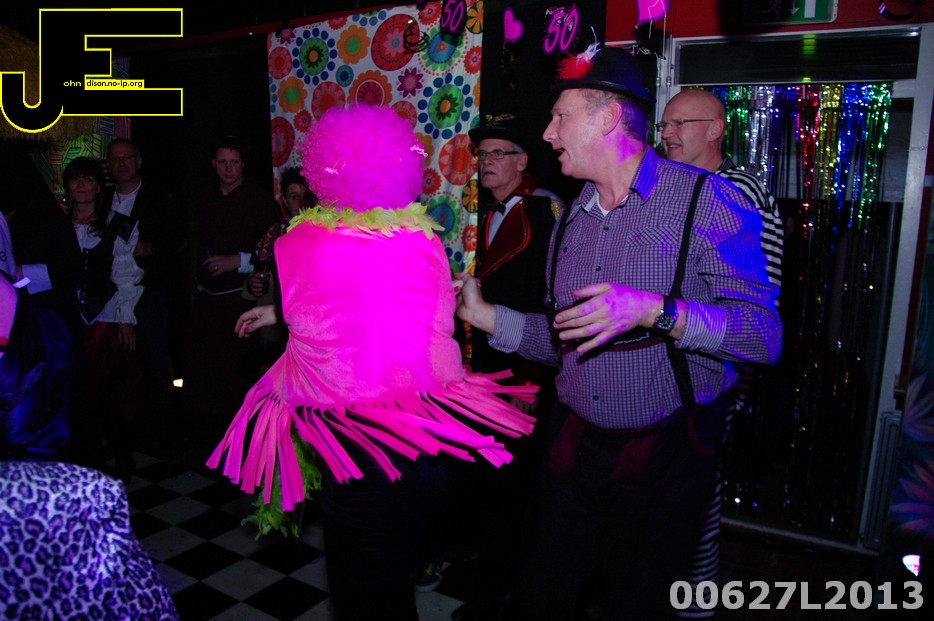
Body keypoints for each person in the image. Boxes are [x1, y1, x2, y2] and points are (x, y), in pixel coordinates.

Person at [455, 45, 782, 620]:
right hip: (573, 447)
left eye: (561, 117)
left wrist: (656, 310)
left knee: (639, 603)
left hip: (665, 453)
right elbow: (563, 341)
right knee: (543, 594)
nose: (549, 133)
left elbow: (763, 336)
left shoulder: (708, 201)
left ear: (607, 118)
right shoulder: (572, 216)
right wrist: (485, 317)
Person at [207, 105, 538, 621]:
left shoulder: (298, 242)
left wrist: (278, 310)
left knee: (363, 595)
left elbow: (315, 312)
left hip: (361, 455)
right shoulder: (422, 239)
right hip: (426, 447)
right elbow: (394, 312)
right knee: (390, 583)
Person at [659, 87, 785, 620]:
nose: (667, 134)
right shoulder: (684, 186)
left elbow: (756, 303)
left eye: (679, 123)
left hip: (718, 362)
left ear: (715, 129)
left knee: (695, 485)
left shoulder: (735, 190)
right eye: (664, 125)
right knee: (680, 484)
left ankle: (692, 600)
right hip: (683, 355)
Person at [443, 113, 559, 620]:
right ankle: (489, 574)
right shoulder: (495, 212)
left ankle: (506, 592)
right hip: (492, 369)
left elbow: (552, 305)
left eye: (498, 153)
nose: (486, 162)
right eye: (483, 153)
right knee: (492, 477)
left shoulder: (543, 211)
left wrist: (531, 382)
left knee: (515, 487)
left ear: (523, 161)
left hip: (524, 373)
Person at [183, 136, 280, 428]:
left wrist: (237, 260)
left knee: (237, 376)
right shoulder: (202, 199)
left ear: (243, 164)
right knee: (205, 373)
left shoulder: (261, 203)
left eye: (234, 162)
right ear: (214, 164)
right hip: (206, 302)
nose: (228, 168)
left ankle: (244, 433)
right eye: (223, 162)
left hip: (242, 300)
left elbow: (274, 252)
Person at [65, 156, 144, 480]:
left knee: (110, 391)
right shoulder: (56, 224)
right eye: (76, 179)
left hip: (105, 317)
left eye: (88, 179)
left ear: (99, 186)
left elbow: (126, 275)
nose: (81, 185)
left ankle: (123, 455)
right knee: (72, 390)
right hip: (67, 319)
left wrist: (125, 319)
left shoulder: (117, 225)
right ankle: (85, 457)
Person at [103, 138, 183, 442]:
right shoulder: (101, 198)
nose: (121, 164)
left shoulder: (159, 198)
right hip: (110, 292)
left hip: (148, 289)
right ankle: (123, 427)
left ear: (139, 161)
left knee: (153, 355)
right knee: (116, 359)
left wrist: (153, 248)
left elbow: (179, 239)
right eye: (115, 159)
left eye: (127, 157)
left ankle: (162, 429)